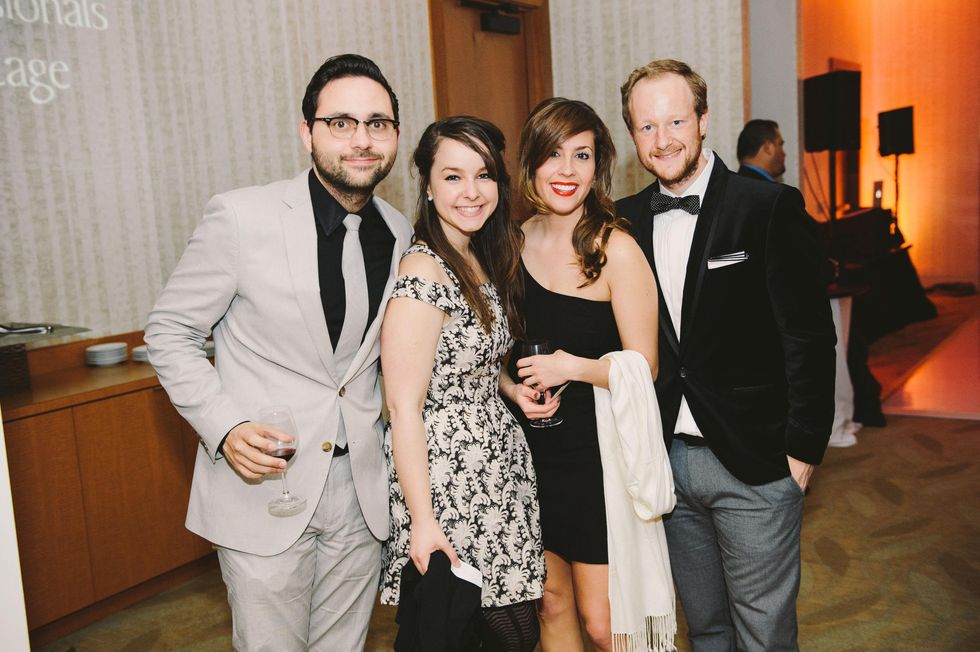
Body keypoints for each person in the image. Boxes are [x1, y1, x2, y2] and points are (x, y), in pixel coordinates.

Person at [144, 54, 413, 651]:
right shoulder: (241, 217)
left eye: (378, 123)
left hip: (361, 490)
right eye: (341, 123)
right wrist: (225, 426)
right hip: (266, 482)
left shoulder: (399, 233)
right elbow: (168, 333)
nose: (362, 140)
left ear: (396, 133)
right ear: (307, 132)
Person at [615, 59, 836, 651]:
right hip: (666, 465)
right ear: (632, 133)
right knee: (706, 628)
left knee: (762, 633)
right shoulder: (623, 222)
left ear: (705, 119)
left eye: (676, 121)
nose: (663, 141)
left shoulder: (767, 208)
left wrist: (803, 451)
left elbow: (810, 338)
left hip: (755, 461)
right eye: (646, 127)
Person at [379, 116, 545, 651]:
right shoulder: (423, 271)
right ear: (426, 185)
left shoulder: (473, 255)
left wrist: (506, 387)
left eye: (484, 175)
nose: (471, 192)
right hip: (451, 483)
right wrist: (423, 522)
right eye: (452, 177)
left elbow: (457, 357)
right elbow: (404, 407)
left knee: (509, 631)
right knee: (494, 634)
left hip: (494, 471)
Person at [509, 97, 665, 652]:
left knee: (606, 623)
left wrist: (570, 368)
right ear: (531, 165)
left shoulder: (615, 248)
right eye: (553, 155)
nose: (567, 171)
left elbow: (645, 364)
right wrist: (512, 384)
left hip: (597, 460)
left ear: (598, 166)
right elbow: (498, 349)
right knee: (551, 603)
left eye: (582, 155)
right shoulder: (514, 243)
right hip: (529, 452)